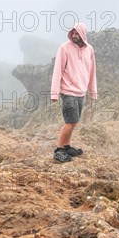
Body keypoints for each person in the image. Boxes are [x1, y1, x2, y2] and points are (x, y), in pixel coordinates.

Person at [50, 22, 97, 162]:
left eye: (77, 33)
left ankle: (67, 146)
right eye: (73, 33)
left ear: (83, 34)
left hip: (81, 92)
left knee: (74, 121)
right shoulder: (64, 48)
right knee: (70, 121)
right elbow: (57, 70)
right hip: (68, 91)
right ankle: (59, 150)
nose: (75, 36)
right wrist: (54, 93)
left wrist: (92, 91)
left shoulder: (90, 49)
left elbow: (92, 72)